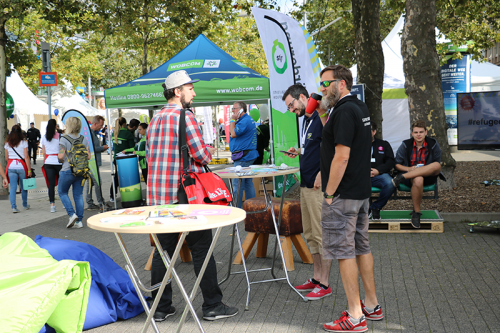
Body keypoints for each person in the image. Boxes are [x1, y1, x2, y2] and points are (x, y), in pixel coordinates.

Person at [146, 70, 238, 322]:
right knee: (201, 249)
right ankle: (212, 305)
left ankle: (161, 307)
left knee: (163, 253)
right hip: (185, 196)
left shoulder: (155, 119)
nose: (194, 93)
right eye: (190, 88)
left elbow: (150, 157)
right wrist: (207, 147)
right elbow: (203, 155)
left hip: (159, 196)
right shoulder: (185, 117)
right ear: (178, 91)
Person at [316, 65, 382, 332]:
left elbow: (341, 157)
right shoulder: (358, 108)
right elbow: (334, 140)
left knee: (343, 253)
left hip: (342, 195)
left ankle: (355, 316)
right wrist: (322, 114)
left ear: (340, 84)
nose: (321, 89)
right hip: (360, 192)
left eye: (325, 84)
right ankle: (371, 305)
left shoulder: (343, 111)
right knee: (362, 247)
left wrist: (330, 193)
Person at [281, 84, 331, 300]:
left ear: (302, 97)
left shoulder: (321, 117)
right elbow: (314, 147)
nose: (292, 110)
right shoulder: (306, 120)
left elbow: (332, 147)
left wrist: (322, 171)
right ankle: (317, 277)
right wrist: (298, 151)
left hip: (318, 185)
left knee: (321, 235)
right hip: (306, 184)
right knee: (310, 234)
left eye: (292, 105)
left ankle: (325, 283)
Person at [392, 119, 443, 228]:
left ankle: (401, 177)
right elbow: (397, 164)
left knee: (437, 165)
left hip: (429, 175)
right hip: (411, 177)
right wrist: (410, 169)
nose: (418, 135)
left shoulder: (433, 144)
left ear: (426, 132)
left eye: (421, 132)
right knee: (418, 178)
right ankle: (416, 213)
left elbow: (436, 164)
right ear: (412, 133)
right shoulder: (405, 144)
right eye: (416, 132)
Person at [58, 117, 91, 229]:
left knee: (62, 192)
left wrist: (59, 159)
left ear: (69, 126)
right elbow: (89, 156)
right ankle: (79, 221)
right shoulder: (84, 139)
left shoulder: (64, 139)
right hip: (81, 171)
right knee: (78, 195)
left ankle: (72, 214)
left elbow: (61, 156)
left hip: (67, 170)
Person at [229, 101, 259, 207]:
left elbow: (233, 134)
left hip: (243, 157)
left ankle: (237, 209)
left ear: (241, 109)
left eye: (234, 109)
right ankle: (251, 207)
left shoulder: (244, 121)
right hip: (246, 155)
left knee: (238, 183)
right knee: (247, 182)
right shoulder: (246, 120)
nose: (232, 111)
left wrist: (232, 120)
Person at [369, 121, 396, 220]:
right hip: (361, 176)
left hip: (379, 176)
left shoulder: (384, 144)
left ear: (374, 131)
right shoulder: (356, 145)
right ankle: (365, 210)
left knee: (390, 183)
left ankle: (375, 208)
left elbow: (390, 161)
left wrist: (377, 171)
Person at [4, 124, 32, 213]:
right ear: (20, 132)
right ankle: (25, 205)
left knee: (13, 187)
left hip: (11, 166)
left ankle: (14, 207)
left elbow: (6, 158)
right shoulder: (24, 142)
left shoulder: (7, 143)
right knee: (24, 187)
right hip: (21, 166)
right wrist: (29, 170)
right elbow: (26, 157)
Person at [85, 115, 109, 211]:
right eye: (100, 125)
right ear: (95, 124)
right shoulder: (90, 134)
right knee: (97, 182)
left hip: (92, 161)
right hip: (92, 162)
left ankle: (90, 203)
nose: (101, 127)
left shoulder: (92, 133)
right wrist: (102, 148)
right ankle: (101, 202)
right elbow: (91, 149)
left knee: (90, 183)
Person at [110, 117, 135, 202]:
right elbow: (132, 147)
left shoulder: (114, 133)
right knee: (128, 177)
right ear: (124, 124)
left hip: (116, 158)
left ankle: (112, 195)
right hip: (126, 159)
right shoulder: (127, 133)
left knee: (117, 177)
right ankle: (129, 195)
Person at [41, 119, 62, 213]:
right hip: (59, 162)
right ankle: (65, 203)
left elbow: (44, 153)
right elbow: (62, 150)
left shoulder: (44, 137)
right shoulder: (60, 136)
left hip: (48, 163)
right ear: (55, 126)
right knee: (62, 184)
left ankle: (52, 205)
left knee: (51, 185)